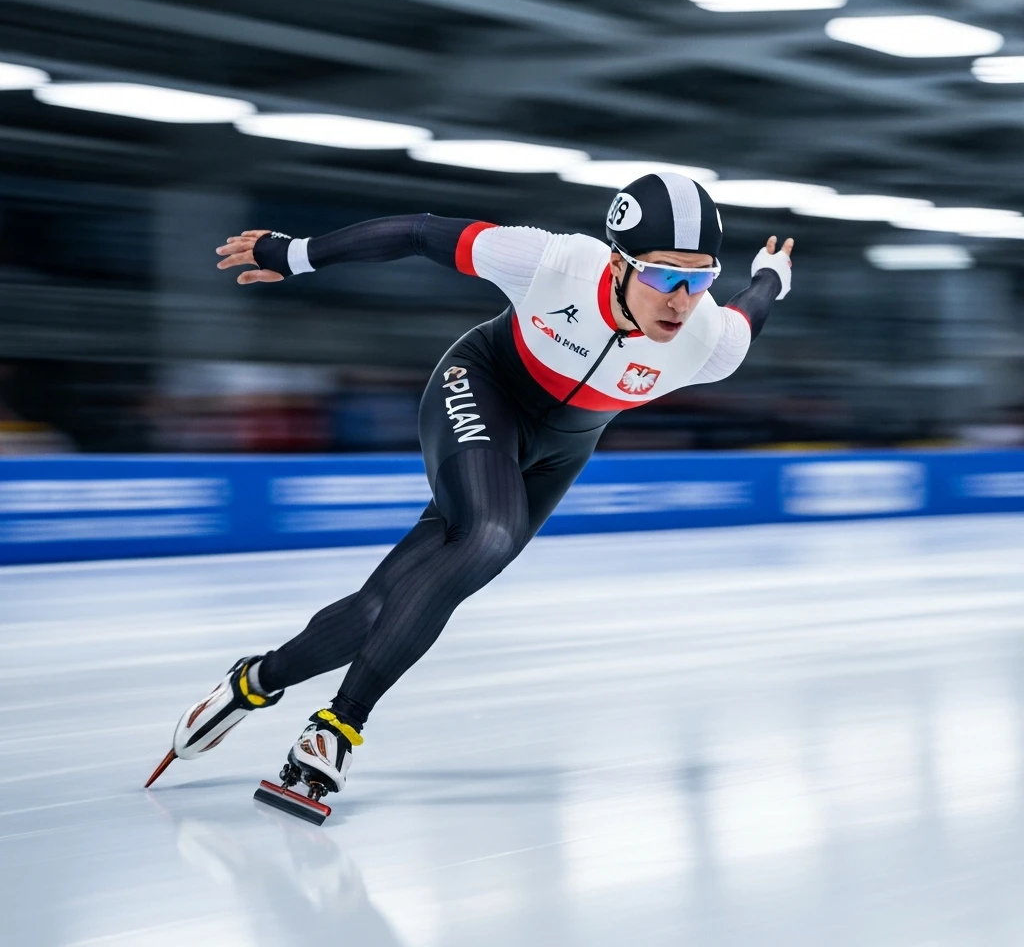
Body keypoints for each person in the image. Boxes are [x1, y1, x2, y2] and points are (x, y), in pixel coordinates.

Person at [145, 172, 794, 814]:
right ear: (620, 263)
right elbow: (418, 234)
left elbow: (751, 308)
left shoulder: (709, 342)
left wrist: (770, 275)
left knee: (398, 596)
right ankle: (335, 730)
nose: (681, 300)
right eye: (663, 275)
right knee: (486, 535)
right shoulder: (554, 263)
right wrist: (294, 255)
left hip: (564, 447)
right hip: (483, 385)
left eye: (699, 278)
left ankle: (253, 683)